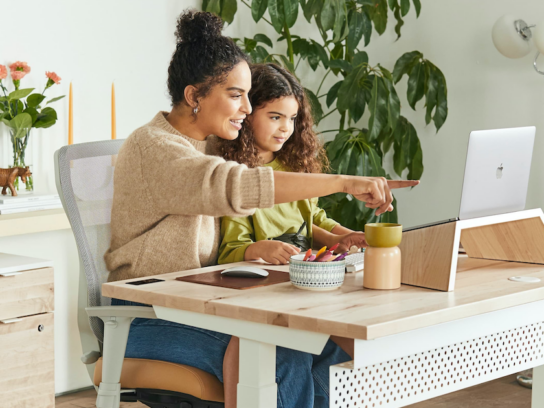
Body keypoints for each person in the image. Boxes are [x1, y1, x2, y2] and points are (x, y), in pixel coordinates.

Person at [104, 10, 419, 408]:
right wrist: (345, 182)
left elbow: (256, 177)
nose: (245, 108)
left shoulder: (208, 144)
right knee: (279, 348)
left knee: (329, 349)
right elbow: (238, 185)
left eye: (248, 96)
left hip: (196, 302)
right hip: (146, 314)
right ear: (193, 96)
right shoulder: (156, 148)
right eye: (236, 95)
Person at [217, 63, 367, 266]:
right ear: (248, 114)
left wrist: (345, 236)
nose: (286, 128)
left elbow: (312, 218)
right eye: (275, 117)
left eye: (292, 119)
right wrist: (260, 249)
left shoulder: (294, 166)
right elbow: (230, 251)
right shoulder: (238, 176)